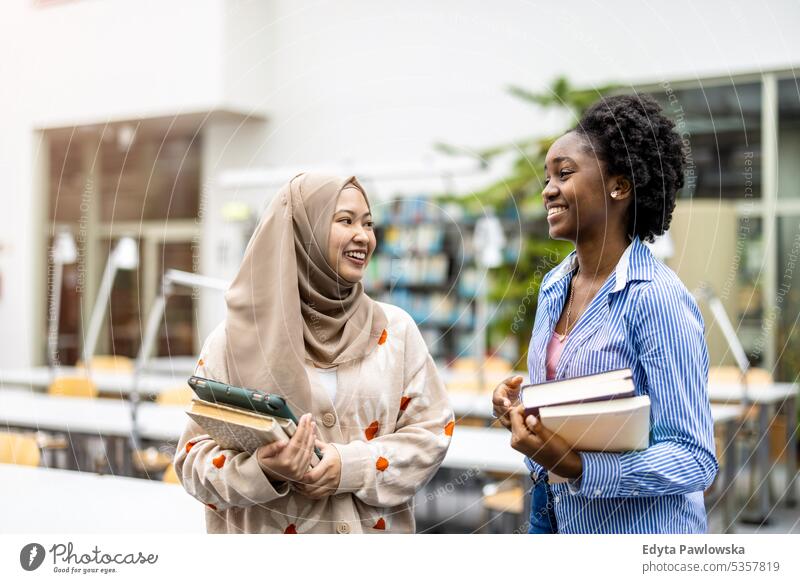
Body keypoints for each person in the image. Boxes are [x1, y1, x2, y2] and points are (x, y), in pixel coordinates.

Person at [175, 173, 454, 533]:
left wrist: (349, 466)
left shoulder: (396, 332)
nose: (363, 235)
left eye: (368, 223)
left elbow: (431, 436)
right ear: (302, 233)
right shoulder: (233, 341)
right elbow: (192, 462)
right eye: (345, 220)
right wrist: (262, 469)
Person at [492, 95, 718, 534]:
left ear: (619, 186)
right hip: (553, 517)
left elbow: (694, 458)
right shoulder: (556, 285)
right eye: (546, 177)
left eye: (564, 173)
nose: (548, 189)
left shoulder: (656, 298)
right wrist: (522, 410)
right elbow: (569, 412)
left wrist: (580, 467)